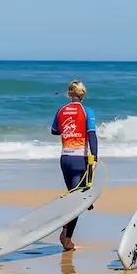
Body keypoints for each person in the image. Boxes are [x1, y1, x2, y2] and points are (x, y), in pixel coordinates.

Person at [50, 80, 98, 251]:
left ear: (70, 93)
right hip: (80, 159)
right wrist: (95, 159)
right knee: (77, 202)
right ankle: (67, 238)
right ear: (83, 93)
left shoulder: (61, 110)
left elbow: (54, 131)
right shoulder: (87, 112)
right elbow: (91, 136)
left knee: (73, 196)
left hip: (65, 159)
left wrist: (69, 127)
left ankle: (65, 232)